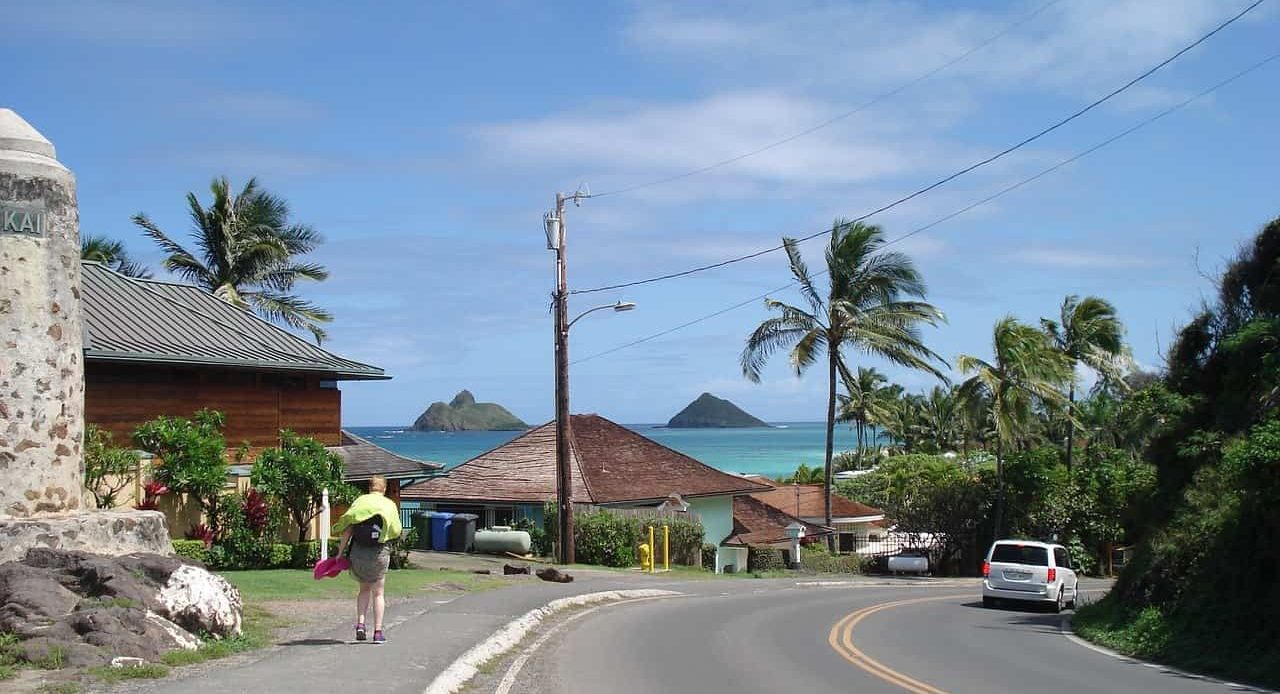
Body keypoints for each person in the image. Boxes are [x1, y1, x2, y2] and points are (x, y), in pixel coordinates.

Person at [333, 475, 402, 644]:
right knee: (378, 593)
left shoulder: (360, 502)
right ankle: (378, 633)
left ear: (369, 488)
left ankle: (361, 625)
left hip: (358, 553)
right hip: (378, 553)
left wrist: (339, 554)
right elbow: (396, 530)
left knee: (364, 590)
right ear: (384, 489)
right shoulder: (389, 504)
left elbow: (348, 530)